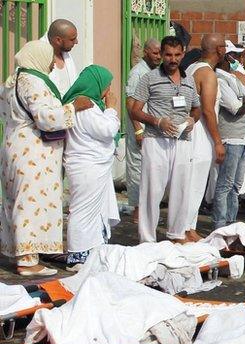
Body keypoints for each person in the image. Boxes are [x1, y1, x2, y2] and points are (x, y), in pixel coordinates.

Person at [0, 39, 93, 275]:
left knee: (17, 201)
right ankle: (28, 262)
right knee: (30, 203)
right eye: (50, 58)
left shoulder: (12, 81)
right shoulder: (34, 82)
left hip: (14, 146)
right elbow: (45, 118)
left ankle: (21, 254)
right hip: (33, 152)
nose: (53, 64)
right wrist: (74, 107)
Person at [128, 35, 201, 244]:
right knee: (152, 190)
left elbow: (196, 108)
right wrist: (157, 121)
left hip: (182, 141)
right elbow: (134, 110)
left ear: (183, 54)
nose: (172, 59)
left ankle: (177, 234)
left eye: (177, 55)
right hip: (156, 140)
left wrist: (192, 120)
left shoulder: (189, 80)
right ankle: (147, 239)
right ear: (161, 54)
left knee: (181, 189)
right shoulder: (149, 78)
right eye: (168, 54)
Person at [62, 66, 120, 269]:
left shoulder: (83, 104)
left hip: (90, 165)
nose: (108, 90)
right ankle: (77, 256)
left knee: (92, 211)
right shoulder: (87, 107)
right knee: (83, 210)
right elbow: (107, 129)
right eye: (107, 85)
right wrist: (112, 108)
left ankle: (92, 251)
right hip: (88, 166)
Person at [185, 33, 225, 242]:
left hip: (192, 133)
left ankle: (189, 227)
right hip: (200, 135)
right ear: (219, 50)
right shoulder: (207, 74)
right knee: (195, 184)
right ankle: (186, 228)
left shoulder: (191, 68)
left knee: (192, 183)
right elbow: (208, 110)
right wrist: (218, 141)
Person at [214, 50, 245, 229]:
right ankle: (220, 225)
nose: (239, 60)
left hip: (243, 137)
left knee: (235, 186)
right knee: (225, 185)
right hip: (230, 138)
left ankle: (231, 223)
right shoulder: (220, 80)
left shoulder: (233, 79)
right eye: (235, 56)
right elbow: (235, 108)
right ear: (227, 58)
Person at [124, 38, 161, 221]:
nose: (159, 57)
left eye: (160, 53)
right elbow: (130, 103)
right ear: (146, 52)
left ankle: (147, 210)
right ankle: (138, 211)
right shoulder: (138, 73)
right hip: (139, 128)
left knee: (150, 168)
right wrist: (138, 130)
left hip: (151, 128)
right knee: (138, 167)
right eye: (155, 53)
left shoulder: (155, 72)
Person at [47, 19, 79, 96]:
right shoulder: (37, 59)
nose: (76, 42)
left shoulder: (67, 57)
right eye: (72, 39)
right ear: (58, 40)